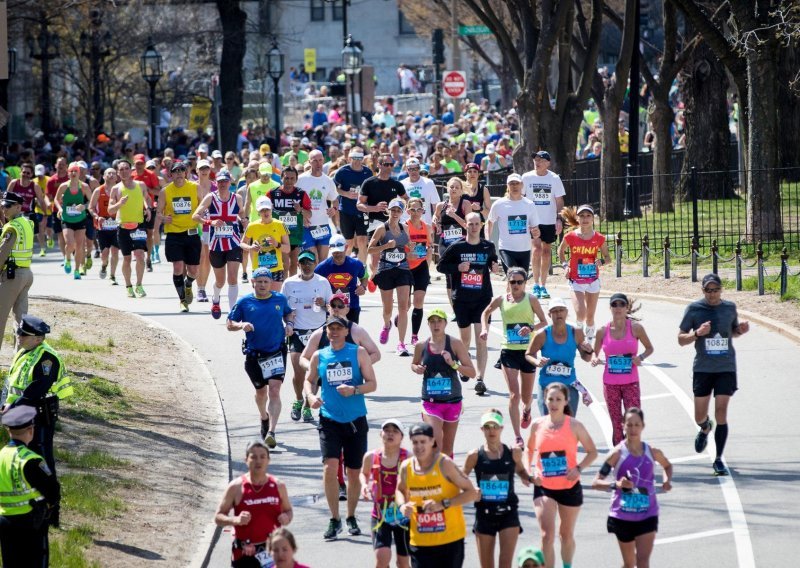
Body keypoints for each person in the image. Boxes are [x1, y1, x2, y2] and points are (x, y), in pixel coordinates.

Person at [303, 315, 378, 540]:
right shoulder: (320, 355)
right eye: (330, 329)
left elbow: (373, 384)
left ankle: (351, 515)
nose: (334, 332)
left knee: (353, 473)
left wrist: (354, 390)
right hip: (329, 419)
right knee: (329, 468)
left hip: (355, 420)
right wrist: (310, 396)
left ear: (346, 332)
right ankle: (334, 518)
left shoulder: (358, 353)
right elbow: (309, 379)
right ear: (326, 332)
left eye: (338, 329)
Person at [678, 273, 749, 476]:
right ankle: (705, 427)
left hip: (726, 367)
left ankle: (718, 459)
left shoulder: (729, 308)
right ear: (703, 291)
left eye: (715, 289)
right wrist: (697, 333)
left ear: (721, 290)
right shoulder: (694, 309)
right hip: (703, 368)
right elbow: (680, 339)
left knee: (721, 412)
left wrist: (740, 330)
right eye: (708, 290)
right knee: (699, 415)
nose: (712, 294)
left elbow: (732, 331)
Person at [525, 383, 598, 568]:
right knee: (546, 535)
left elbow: (592, 452)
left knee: (565, 535)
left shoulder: (575, 425)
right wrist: (530, 469)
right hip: (544, 486)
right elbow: (529, 448)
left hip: (569, 486)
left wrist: (579, 468)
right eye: (550, 399)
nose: (554, 403)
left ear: (566, 401)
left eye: (558, 399)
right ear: (544, 399)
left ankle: (567, 565)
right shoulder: (537, 425)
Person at [592, 408, 673, 568]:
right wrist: (616, 485)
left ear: (643, 426)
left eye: (637, 425)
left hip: (647, 513)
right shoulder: (616, 454)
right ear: (623, 426)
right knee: (629, 564)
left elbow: (667, 465)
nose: (633, 429)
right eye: (629, 425)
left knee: (642, 562)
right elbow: (596, 482)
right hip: (622, 516)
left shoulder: (652, 452)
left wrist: (666, 481)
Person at [227, 268, 296, 448]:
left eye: (266, 281)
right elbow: (230, 323)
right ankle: (264, 417)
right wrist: (241, 325)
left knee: (274, 390)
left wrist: (289, 324)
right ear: (253, 282)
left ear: (271, 283)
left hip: (276, 351)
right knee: (261, 393)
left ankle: (271, 431)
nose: (263, 285)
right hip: (254, 353)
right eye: (259, 282)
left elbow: (289, 313)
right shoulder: (244, 302)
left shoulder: (279, 299)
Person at [395, 422, 479, 568]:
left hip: (449, 540)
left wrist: (443, 504)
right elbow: (399, 490)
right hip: (420, 541)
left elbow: (471, 492)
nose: (419, 446)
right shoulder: (406, 467)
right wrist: (402, 505)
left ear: (432, 441)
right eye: (415, 442)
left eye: (423, 442)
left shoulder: (444, 464)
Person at [480, 268, 548, 446]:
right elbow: (485, 312)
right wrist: (484, 329)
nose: (516, 285)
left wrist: (531, 328)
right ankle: (518, 436)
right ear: (508, 283)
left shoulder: (531, 299)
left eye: (519, 282)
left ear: (525, 283)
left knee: (526, 398)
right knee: (514, 395)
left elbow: (544, 321)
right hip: (508, 350)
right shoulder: (501, 300)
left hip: (528, 352)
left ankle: (527, 410)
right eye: (512, 282)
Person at [436, 212, 501, 395]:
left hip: (482, 297)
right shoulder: (457, 247)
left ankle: (480, 378)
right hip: (462, 298)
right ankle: (464, 365)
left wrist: (494, 266)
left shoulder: (488, 246)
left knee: (481, 338)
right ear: (465, 225)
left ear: (481, 225)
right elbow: (441, 266)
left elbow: (492, 261)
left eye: (476, 224)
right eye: (470, 224)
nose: (473, 227)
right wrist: (457, 268)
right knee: (465, 339)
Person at [1, 315, 74, 474]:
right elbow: (12, 381)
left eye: (24, 335)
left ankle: (51, 495)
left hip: (39, 414)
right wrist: (5, 403)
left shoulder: (47, 358)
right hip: (20, 412)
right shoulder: (24, 352)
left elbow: (37, 388)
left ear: (39, 339)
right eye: (19, 333)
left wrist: (12, 406)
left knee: (41, 455)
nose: (18, 337)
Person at [463, 410, 530, 568]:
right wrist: (472, 489)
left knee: (505, 564)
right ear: (482, 429)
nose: (491, 430)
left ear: (501, 428)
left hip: (508, 512)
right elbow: (461, 477)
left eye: (495, 426)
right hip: (484, 513)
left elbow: (521, 470)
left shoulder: (513, 452)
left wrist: (530, 478)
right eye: (487, 427)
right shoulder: (474, 455)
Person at [0, 406, 61, 568]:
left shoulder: (1, 456)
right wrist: (50, 507)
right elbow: (52, 491)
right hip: (30, 521)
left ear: (8, 431)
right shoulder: (32, 460)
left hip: (5, 521)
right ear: (31, 430)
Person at [215, 440, 293, 568]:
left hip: (272, 552)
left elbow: (288, 511)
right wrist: (236, 520)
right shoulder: (236, 487)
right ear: (246, 460)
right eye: (253, 457)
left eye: (262, 457)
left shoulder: (278, 485)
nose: (258, 461)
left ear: (268, 460)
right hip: (244, 552)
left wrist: (287, 517)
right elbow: (218, 517)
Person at [410, 309, 476, 458]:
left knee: (447, 449)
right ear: (427, 324)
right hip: (430, 401)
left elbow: (472, 373)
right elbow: (413, 364)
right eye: (432, 321)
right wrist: (417, 368)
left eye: (439, 321)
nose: (436, 324)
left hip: (452, 401)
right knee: (435, 441)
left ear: (445, 323)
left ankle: (445, 478)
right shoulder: (421, 345)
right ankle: (432, 476)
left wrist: (453, 364)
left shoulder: (455, 344)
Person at [591, 293, 654, 446]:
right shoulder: (602, 331)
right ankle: (619, 459)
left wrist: (641, 358)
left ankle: (633, 454)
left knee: (633, 421)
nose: (618, 308)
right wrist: (594, 358)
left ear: (627, 308)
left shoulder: (636, 328)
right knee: (616, 423)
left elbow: (649, 348)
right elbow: (594, 352)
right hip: (610, 383)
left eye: (621, 305)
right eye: (614, 305)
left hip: (631, 382)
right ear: (610, 308)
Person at [282, 250, 332, 424]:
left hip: (318, 332)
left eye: (309, 262)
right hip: (297, 332)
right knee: (298, 371)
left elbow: (333, 308)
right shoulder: (289, 283)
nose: (306, 265)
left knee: (315, 372)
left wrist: (324, 305)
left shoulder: (323, 282)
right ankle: (298, 400)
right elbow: (283, 308)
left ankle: (309, 405)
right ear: (299, 264)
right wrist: (287, 323)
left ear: (315, 263)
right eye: (303, 262)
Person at [525, 297, 594, 418]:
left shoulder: (575, 332)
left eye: (561, 310)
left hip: (569, 385)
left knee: (569, 425)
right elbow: (528, 354)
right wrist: (537, 361)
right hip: (547, 385)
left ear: (566, 312)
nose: (558, 313)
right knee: (549, 424)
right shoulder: (542, 334)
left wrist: (589, 351)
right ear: (549, 314)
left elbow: (586, 358)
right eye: (555, 311)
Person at [192, 170, 246, 318]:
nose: (222, 184)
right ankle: (216, 300)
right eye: (220, 182)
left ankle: (232, 312)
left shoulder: (237, 198)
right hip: (216, 245)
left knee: (233, 278)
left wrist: (243, 219)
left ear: (230, 183)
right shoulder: (210, 197)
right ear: (216, 183)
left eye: (225, 181)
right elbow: (195, 216)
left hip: (234, 242)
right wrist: (210, 222)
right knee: (220, 281)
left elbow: (241, 213)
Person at [359, 419, 411, 568]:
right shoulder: (371, 456)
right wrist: (364, 485)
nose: (390, 434)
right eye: (387, 430)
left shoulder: (408, 457)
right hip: (380, 514)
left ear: (401, 437)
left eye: (395, 431)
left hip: (403, 516)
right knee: (381, 557)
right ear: (380, 434)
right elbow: (364, 473)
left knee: (403, 562)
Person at [368, 198, 414, 354]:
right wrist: (386, 246)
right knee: (387, 309)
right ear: (388, 211)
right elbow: (370, 249)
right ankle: (387, 324)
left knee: (403, 307)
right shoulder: (382, 229)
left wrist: (412, 247)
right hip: (386, 269)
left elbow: (409, 245)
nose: (395, 213)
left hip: (403, 268)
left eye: (398, 211)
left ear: (402, 212)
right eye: (393, 210)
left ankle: (401, 343)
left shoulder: (405, 228)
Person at [558, 204, 611, 341]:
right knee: (581, 313)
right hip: (575, 279)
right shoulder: (571, 236)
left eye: (588, 216)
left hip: (593, 280)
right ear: (578, 218)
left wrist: (602, 262)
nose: (585, 219)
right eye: (582, 216)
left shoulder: (599, 238)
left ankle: (589, 340)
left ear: (593, 219)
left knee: (590, 316)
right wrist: (565, 266)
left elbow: (608, 257)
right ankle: (578, 332)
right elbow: (560, 251)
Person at [158, 158, 203, 312]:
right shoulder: (166, 191)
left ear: (186, 173)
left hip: (191, 233)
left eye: (181, 170)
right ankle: (182, 300)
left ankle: (189, 283)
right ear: (171, 175)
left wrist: (202, 217)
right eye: (175, 171)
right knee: (178, 267)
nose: (178, 173)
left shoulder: (195, 188)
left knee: (194, 270)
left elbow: (203, 206)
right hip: (174, 234)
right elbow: (158, 213)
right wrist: (163, 218)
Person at [358, 154, 407, 290]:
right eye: (386, 164)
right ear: (378, 165)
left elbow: (406, 199)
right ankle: (373, 275)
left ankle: (385, 280)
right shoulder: (369, 182)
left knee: (391, 253)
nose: (389, 167)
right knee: (375, 256)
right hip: (374, 222)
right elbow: (359, 204)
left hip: (391, 224)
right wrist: (374, 208)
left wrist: (401, 209)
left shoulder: (396, 184)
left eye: (391, 165)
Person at [522, 151, 566, 300]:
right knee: (536, 250)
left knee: (547, 252)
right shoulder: (526, 177)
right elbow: (521, 198)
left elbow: (559, 201)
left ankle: (543, 285)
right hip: (533, 220)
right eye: (535, 159)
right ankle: (535, 283)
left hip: (549, 220)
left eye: (541, 159)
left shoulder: (554, 178)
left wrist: (559, 218)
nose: (537, 161)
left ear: (548, 162)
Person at [107, 160, 151, 298]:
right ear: (118, 173)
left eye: (127, 168)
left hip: (138, 225)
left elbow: (147, 199)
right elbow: (110, 210)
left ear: (131, 170)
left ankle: (139, 285)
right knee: (126, 259)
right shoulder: (116, 189)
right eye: (121, 169)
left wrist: (148, 209)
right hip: (123, 227)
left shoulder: (141, 185)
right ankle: (128, 286)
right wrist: (119, 203)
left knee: (140, 255)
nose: (124, 171)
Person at [486, 173, 541, 275]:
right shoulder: (499, 204)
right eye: (512, 184)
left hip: (524, 248)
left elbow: (535, 229)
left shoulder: (529, 204)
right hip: (506, 248)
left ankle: (509, 289)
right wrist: (488, 241)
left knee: (521, 280)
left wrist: (536, 232)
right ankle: (510, 289)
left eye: (517, 183)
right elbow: (489, 222)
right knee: (514, 275)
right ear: (507, 186)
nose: (515, 186)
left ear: (522, 185)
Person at [0, 192, 35, 353]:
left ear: (18, 207)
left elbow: (2, 254)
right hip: (26, 274)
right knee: (21, 319)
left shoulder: (12, 227)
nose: (3, 208)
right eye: (2, 204)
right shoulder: (27, 223)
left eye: (7, 205)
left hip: (12, 277)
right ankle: (21, 354)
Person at [296, 150, 339, 263]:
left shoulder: (328, 181)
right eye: (315, 161)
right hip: (306, 226)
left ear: (323, 161)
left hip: (323, 225)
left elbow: (335, 200)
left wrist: (334, 209)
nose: (318, 164)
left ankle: (321, 281)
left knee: (322, 261)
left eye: (320, 160)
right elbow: (292, 200)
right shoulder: (300, 180)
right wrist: (301, 215)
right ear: (309, 162)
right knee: (311, 260)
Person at [268, 166, 311, 277]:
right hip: (279, 234)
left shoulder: (301, 194)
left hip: (295, 234)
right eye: (286, 178)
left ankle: (291, 287)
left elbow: (309, 214)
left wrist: (300, 209)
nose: (289, 181)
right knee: (284, 264)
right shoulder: (272, 194)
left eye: (292, 178)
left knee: (294, 264)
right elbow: (263, 212)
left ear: (296, 179)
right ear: (281, 178)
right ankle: (284, 289)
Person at [314, 234, 368, 323]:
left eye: (340, 252)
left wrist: (363, 286)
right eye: (335, 252)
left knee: (351, 335)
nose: (337, 255)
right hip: (331, 309)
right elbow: (313, 283)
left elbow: (365, 276)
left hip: (352, 307)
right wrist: (320, 300)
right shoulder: (321, 268)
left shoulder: (356, 264)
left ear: (346, 247)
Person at [432, 178, 469, 307]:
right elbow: (435, 217)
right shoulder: (441, 205)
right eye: (451, 187)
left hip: (461, 244)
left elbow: (468, 226)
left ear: (461, 190)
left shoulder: (465, 204)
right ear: (447, 189)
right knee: (448, 274)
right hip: (445, 243)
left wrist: (455, 216)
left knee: (461, 273)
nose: (453, 189)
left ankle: (462, 301)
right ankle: (453, 306)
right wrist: (436, 223)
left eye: (456, 187)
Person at [241, 196, 290, 292]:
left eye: (267, 209)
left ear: (271, 209)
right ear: (258, 212)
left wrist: (277, 244)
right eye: (262, 210)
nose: (265, 212)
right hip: (259, 269)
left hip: (276, 268)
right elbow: (242, 243)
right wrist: (251, 247)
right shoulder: (252, 226)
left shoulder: (280, 224)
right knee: (261, 299)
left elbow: (287, 248)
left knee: (275, 298)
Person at [333, 148, 373, 263]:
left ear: (363, 159)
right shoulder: (342, 171)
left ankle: (362, 270)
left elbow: (371, 189)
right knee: (349, 243)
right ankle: (344, 267)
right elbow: (333, 188)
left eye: (359, 158)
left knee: (362, 241)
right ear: (349, 158)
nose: (357, 161)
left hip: (362, 211)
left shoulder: (367, 172)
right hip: (346, 211)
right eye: (354, 158)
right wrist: (346, 194)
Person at [54, 162, 92, 279]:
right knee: (70, 243)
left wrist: (84, 207)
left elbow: (92, 201)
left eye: (76, 171)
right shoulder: (64, 186)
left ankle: (76, 270)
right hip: (67, 218)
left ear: (79, 172)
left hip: (80, 219)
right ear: (68, 173)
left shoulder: (84, 186)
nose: (74, 173)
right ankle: (67, 258)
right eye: (71, 171)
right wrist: (60, 209)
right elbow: (56, 199)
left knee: (80, 245)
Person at [405, 197, 434, 344]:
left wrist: (427, 267)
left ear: (423, 211)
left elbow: (429, 247)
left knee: (418, 301)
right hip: (405, 267)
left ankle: (414, 335)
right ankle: (400, 316)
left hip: (421, 266)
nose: (416, 213)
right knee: (406, 305)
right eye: (412, 209)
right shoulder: (404, 226)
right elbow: (398, 248)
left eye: (418, 209)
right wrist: (408, 254)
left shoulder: (427, 227)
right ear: (407, 211)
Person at [88, 168, 121, 284]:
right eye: (108, 173)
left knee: (115, 251)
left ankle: (112, 275)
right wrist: (97, 217)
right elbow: (90, 207)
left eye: (113, 173)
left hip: (117, 225)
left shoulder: (121, 190)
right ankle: (104, 265)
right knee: (105, 253)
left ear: (117, 177)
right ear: (104, 176)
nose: (111, 175)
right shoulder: (98, 190)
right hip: (102, 226)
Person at [401, 158, 440, 226]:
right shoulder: (401, 184)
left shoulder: (429, 183)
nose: (413, 171)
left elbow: (436, 205)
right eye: (410, 169)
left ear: (419, 168)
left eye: (416, 168)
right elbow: (399, 207)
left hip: (425, 225)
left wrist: (438, 223)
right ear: (407, 170)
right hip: (406, 226)